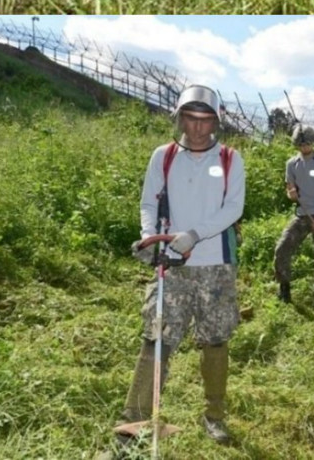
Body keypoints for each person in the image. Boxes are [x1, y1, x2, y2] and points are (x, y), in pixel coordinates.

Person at [99, 85, 245, 458]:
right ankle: (134, 419)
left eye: (206, 120)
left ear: (216, 122)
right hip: (172, 265)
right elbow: (148, 202)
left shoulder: (230, 159)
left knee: (215, 339)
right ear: (179, 118)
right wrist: (150, 238)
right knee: (157, 336)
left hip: (216, 263)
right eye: (191, 119)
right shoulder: (163, 157)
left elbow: (233, 209)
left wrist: (193, 235)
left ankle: (214, 415)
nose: (198, 128)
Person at [274, 124, 314, 315]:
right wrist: (291, 194)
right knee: (282, 249)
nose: (304, 148)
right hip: (301, 215)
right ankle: (284, 290)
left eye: (307, 144)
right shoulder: (292, 164)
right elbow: (290, 191)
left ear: (313, 142)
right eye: (300, 145)